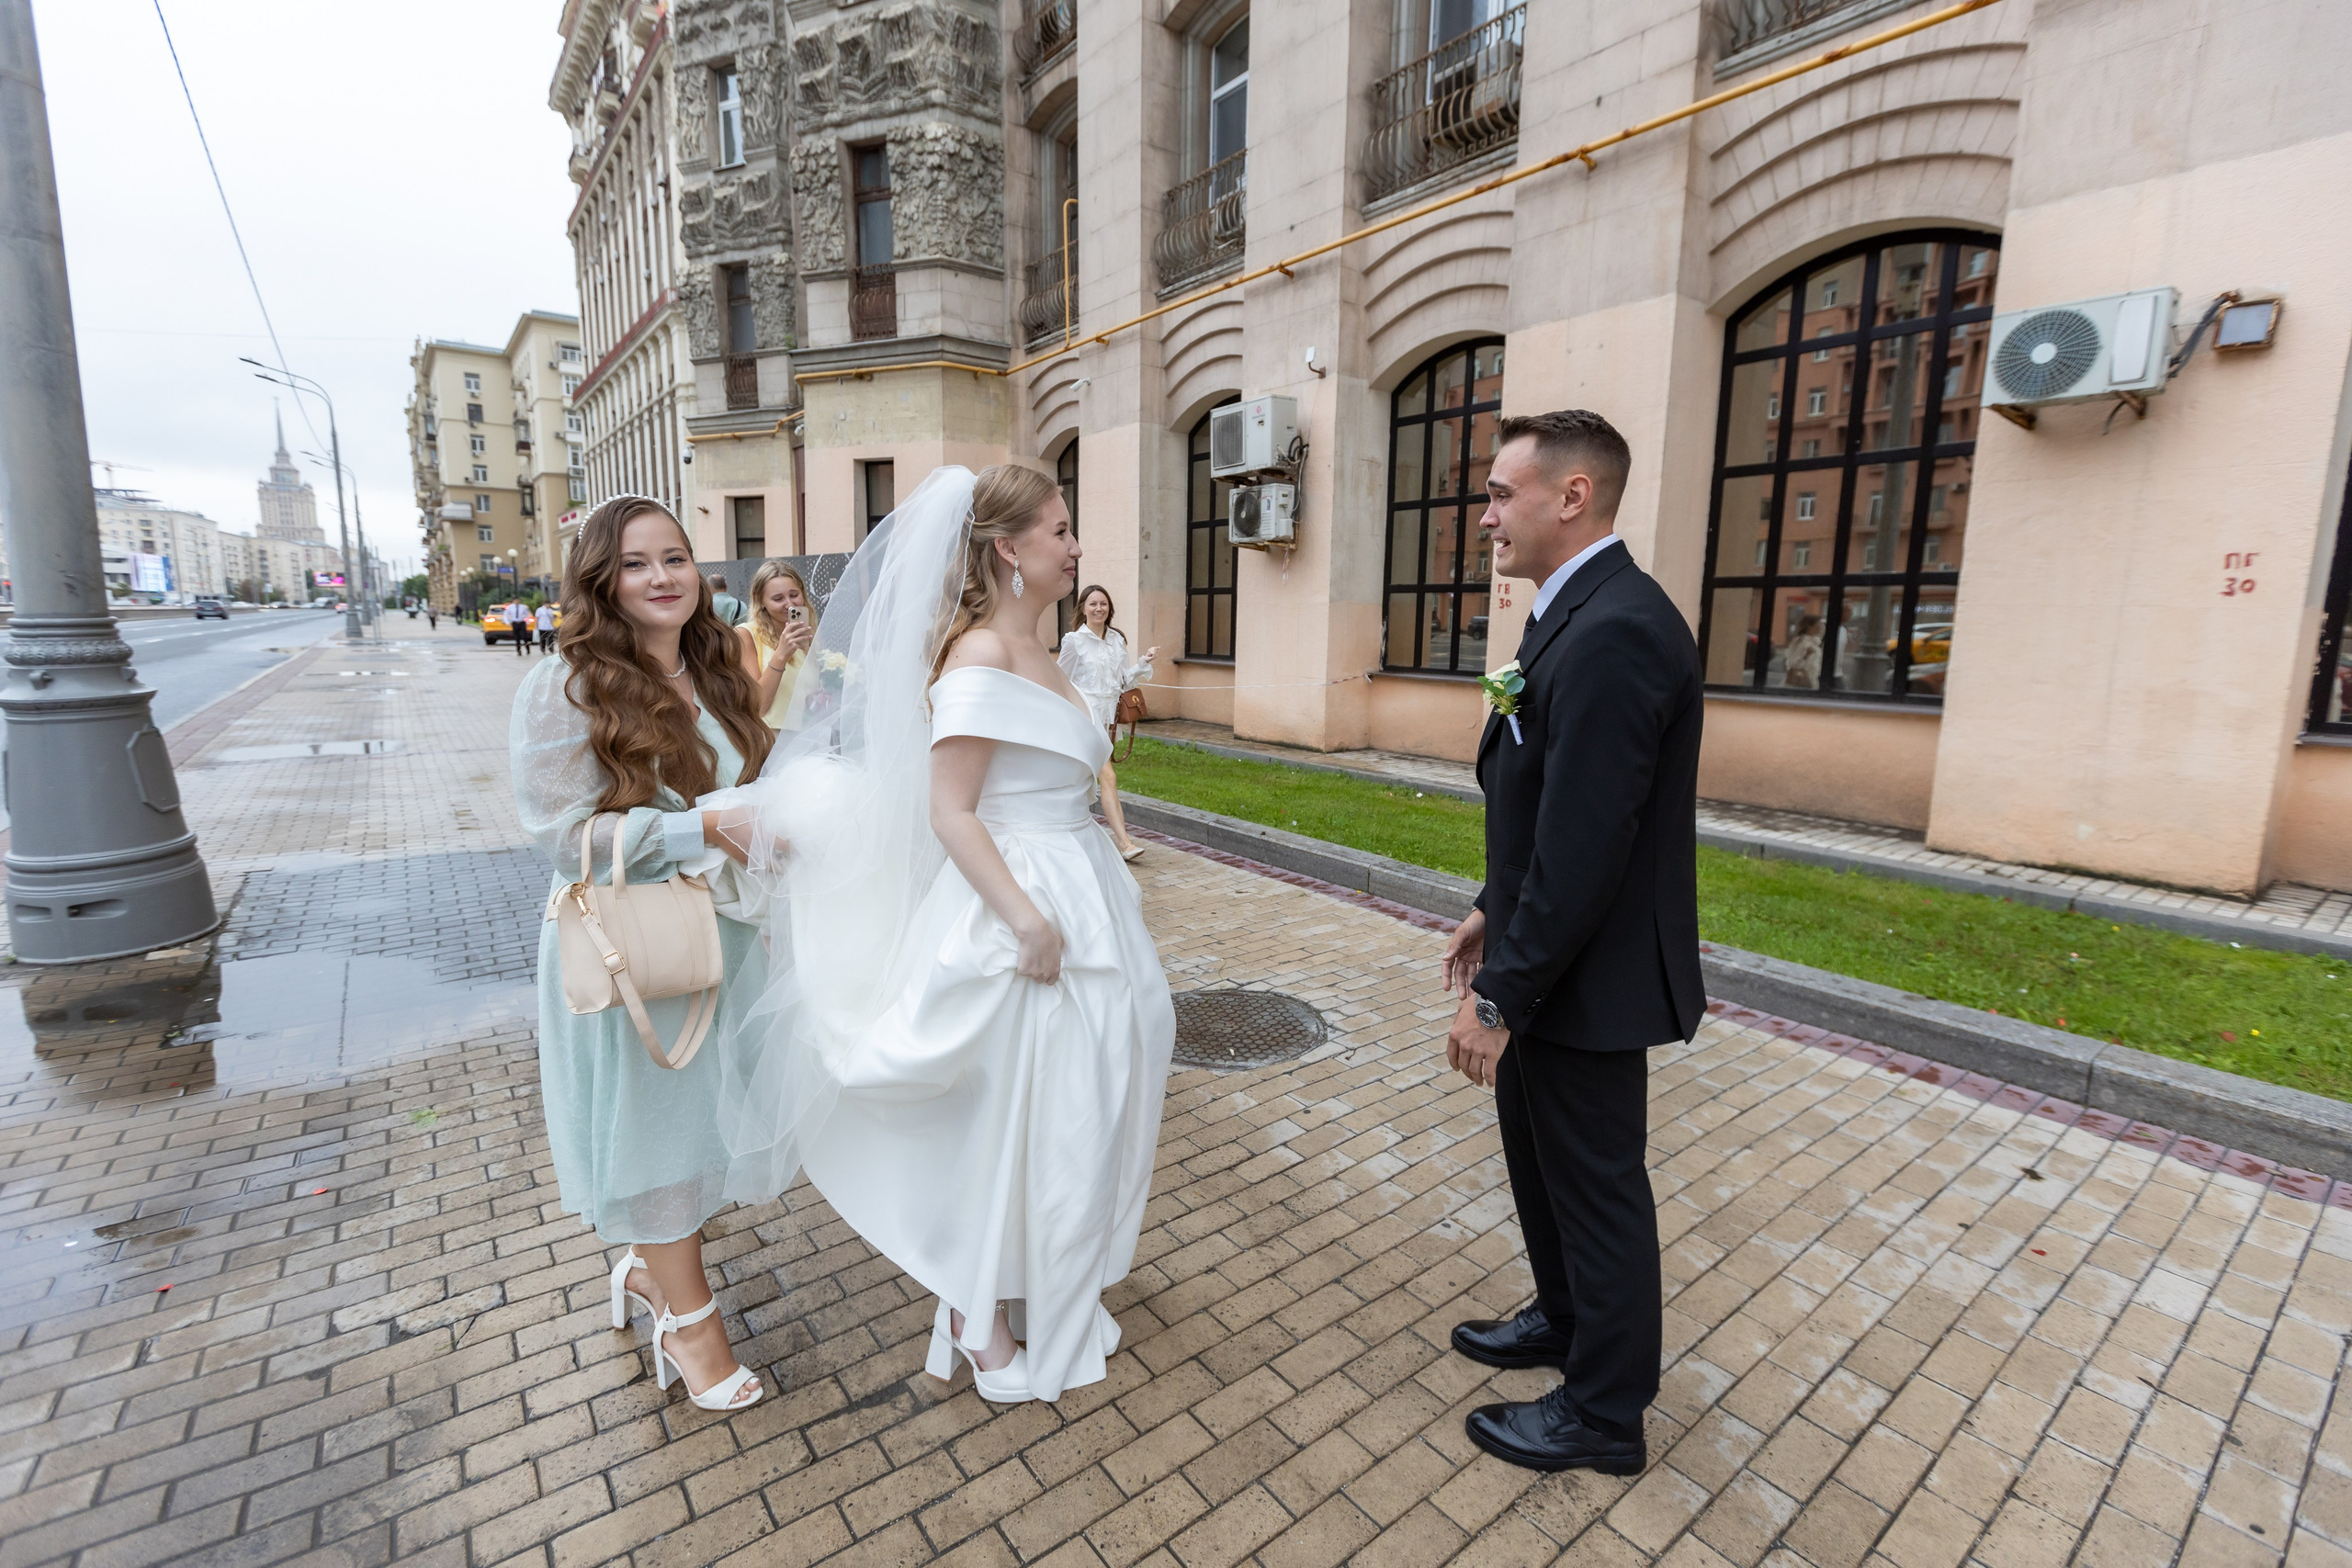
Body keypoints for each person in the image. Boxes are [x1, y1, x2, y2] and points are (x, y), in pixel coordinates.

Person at [712, 465, 1175, 1405]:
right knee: (1006, 1109)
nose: (1075, 546)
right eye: (1058, 530)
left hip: (1082, 885)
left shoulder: (1039, 656)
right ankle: (974, 1312)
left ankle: (1037, 1274)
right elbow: (951, 809)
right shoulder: (978, 659)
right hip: (1017, 903)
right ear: (1009, 549)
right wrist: (1025, 919)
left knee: (1076, 1100)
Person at [1439, 410, 1702, 1477]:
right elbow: (1546, 807)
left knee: (1596, 1188)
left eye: (1502, 493)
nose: (1488, 513)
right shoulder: (1569, 612)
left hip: (1584, 980)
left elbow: (1591, 846)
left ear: (1572, 496)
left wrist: (1498, 996)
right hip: (1546, 952)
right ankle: (1561, 1320)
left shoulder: (1618, 628)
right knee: (1542, 1170)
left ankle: (1604, 1412)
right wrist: (1489, 905)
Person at [509, 494, 778, 1416]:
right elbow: (559, 836)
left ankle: (640, 1273)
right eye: (636, 563)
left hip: (726, 937)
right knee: (662, 1136)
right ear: (600, 579)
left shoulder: (719, 668)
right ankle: (691, 1328)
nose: (663, 577)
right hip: (638, 945)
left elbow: (752, 789)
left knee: (699, 1129)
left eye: (676, 557)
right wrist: (702, 827)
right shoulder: (568, 685)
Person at [1057, 585, 1155, 862]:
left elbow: (1123, 681)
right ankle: (1124, 843)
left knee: (1078, 779)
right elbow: (1061, 680)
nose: (1099, 608)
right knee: (1107, 776)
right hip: (1084, 718)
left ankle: (1068, 836)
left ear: (1110, 609)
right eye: (1093, 604)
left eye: (1103, 604)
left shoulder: (1117, 640)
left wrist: (1142, 663)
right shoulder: (1074, 641)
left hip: (1109, 719)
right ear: (1083, 609)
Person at [736, 560, 818, 732]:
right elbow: (757, 708)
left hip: (807, 737)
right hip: (770, 741)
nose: (789, 604)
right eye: (778, 598)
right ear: (761, 601)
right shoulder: (746, 635)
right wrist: (781, 654)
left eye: (794, 595)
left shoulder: (807, 633)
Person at [1782, 612, 1823, 689]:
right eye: (1819, 625)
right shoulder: (1802, 642)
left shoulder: (1815, 641)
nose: (1821, 627)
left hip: (1812, 679)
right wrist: (1806, 655)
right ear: (1810, 626)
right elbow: (1792, 663)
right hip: (1802, 681)